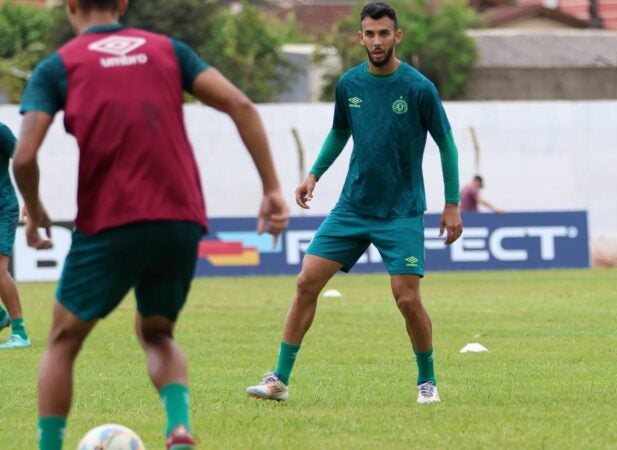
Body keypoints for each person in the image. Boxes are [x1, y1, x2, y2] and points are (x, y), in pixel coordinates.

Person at [13, 1, 290, 449]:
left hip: (110, 220)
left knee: (62, 341)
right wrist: (272, 188)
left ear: (69, 6)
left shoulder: (58, 66)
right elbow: (241, 105)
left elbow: (24, 157)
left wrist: (35, 209)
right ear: (122, 3)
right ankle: (178, 428)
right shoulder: (167, 50)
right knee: (157, 333)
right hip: (179, 219)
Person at [246, 2, 462, 405]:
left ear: (397, 36)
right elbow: (339, 132)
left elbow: (446, 143)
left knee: (407, 299)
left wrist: (452, 203)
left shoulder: (419, 88)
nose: (376, 41)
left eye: (384, 33)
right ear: (360, 37)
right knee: (306, 282)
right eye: (369, 33)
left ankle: (426, 381)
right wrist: (314, 173)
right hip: (352, 207)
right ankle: (278, 379)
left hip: (401, 211)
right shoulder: (349, 85)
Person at [0, 123, 30, 349]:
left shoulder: (1, 131)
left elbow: (25, 161)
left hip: (3, 208)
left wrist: (31, 201)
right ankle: (1, 316)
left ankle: (20, 333)